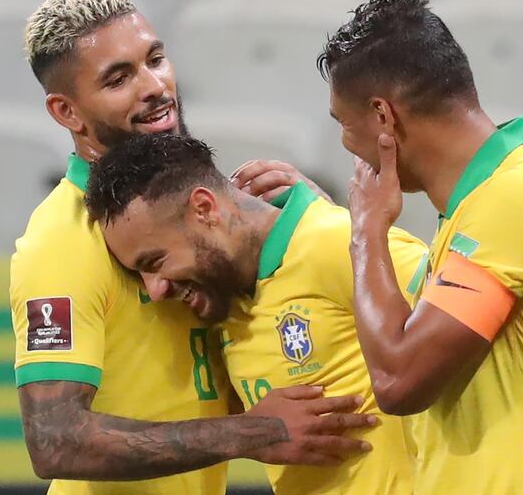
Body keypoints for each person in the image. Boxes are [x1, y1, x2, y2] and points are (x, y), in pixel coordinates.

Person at [10, 0, 372, 495]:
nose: (154, 87)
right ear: (67, 112)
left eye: (155, 59)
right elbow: (55, 441)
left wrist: (316, 225)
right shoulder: (64, 239)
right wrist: (255, 432)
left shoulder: (186, 212)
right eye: (118, 79)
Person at [318, 0, 523, 493]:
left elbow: (398, 380)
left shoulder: (517, 196)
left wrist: (366, 232)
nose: (346, 145)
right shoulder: (480, 208)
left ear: (384, 117)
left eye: (345, 124)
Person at [83, 132, 430, 495]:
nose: (155, 289)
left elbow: (469, 341)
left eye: (156, 261)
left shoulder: (338, 243)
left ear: (204, 209)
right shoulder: (224, 302)